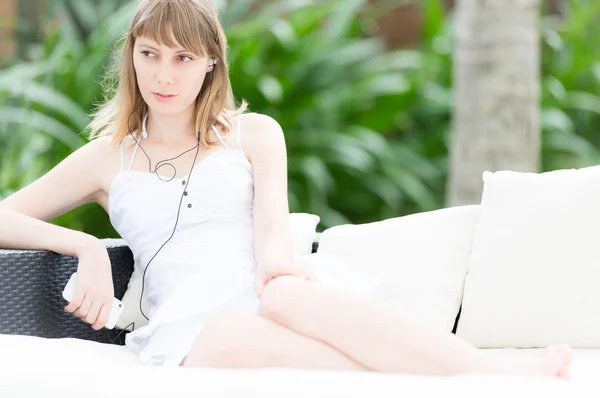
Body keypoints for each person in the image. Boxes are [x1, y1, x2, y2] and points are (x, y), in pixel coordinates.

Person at [0, 0, 573, 378]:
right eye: (149, 55)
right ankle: (464, 378)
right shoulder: (106, 156)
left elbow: (273, 230)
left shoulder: (254, 133)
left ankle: (492, 377)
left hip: (270, 295)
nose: (164, 75)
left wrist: (280, 271)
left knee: (281, 294)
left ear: (210, 66)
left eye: (183, 58)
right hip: (196, 331)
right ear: (132, 59)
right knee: (228, 334)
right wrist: (85, 246)